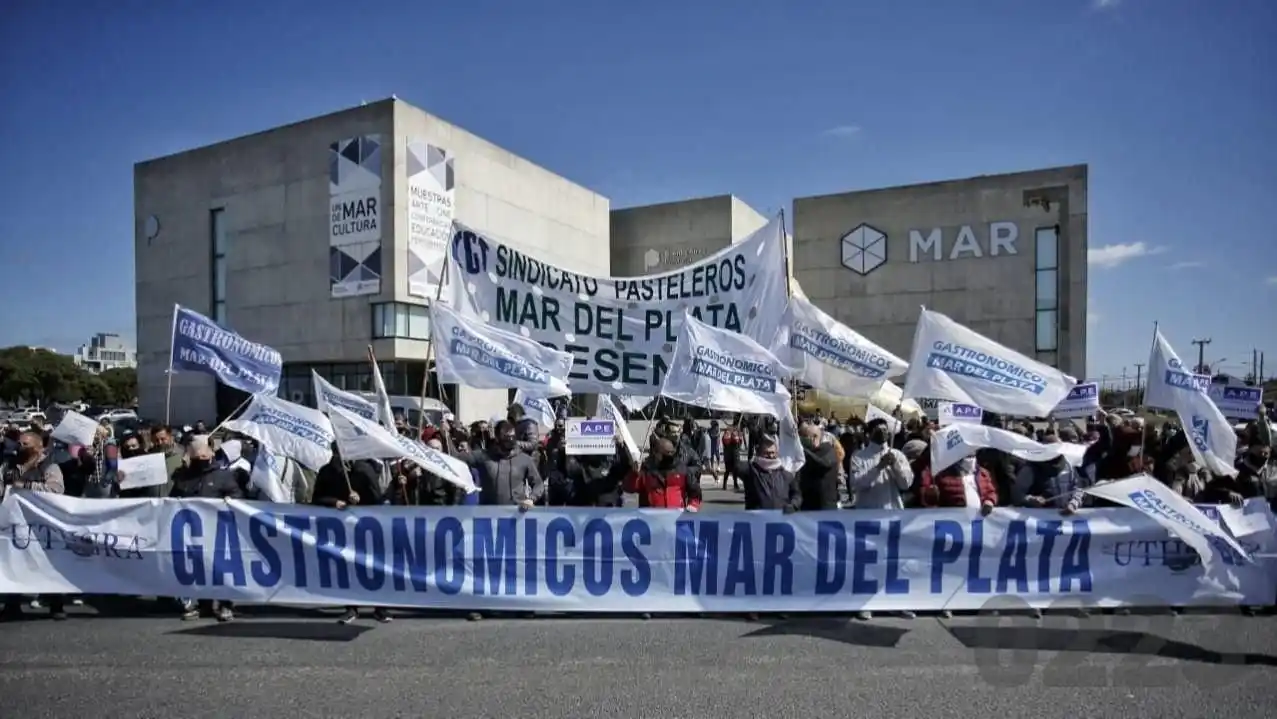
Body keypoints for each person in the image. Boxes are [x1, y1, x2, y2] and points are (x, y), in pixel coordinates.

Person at [312, 444, 393, 625]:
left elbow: (377, 500)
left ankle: (380, 608)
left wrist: (361, 499)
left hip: (365, 527)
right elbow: (316, 498)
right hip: (340, 528)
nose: (339, 457)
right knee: (347, 567)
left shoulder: (365, 470)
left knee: (373, 566)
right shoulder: (326, 471)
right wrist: (335, 502)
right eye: (336, 453)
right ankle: (351, 608)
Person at [169, 435, 243, 622]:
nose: (200, 462)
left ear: (210, 455)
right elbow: (172, 498)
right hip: (192, 531)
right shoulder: (185, 476)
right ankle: (205, 605)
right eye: (196, 458)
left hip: (218, 530)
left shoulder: (223, 475)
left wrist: (231, 501)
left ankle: (226, 604)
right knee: (199, 568)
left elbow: (237, 495)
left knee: (220, 568)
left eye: (203, 457)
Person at [1, 430, 67, 621]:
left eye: (25, 445)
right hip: (16, 523)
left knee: (47, 562)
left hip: (42, 524)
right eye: (19, 444)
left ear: (38, 447)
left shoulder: (49, 466)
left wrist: (27, 487)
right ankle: (12, 604)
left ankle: (56, 604)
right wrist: (25, 467)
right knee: (14, 561)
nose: (20, 448)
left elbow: (56, 489)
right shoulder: (10, 465)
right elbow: (4, 483)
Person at [848, 419, 912, 510]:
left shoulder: (897, 454)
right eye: (878, 430)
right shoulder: (858, 457)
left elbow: (906, 484)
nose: (882, 432)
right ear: (869, 434)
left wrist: (895, 466)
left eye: (885, 430)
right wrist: (878, 467)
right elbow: (856, 484)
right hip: (867, 512)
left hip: (892, 510)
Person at [623, 437, 702, 511]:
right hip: (651, 519)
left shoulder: (681, 469)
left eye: (672, 453)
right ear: (656, 453)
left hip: (677, 518)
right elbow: (629, 488)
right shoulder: (646, 469)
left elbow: (695, 491)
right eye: (666, 454)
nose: (670, 456)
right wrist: (634, 473)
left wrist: (693, 505)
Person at [732, 436, 800, 512]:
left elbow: (796, 494)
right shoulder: (751, 471)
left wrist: (793, 505)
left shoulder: (786, 474)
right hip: (757, 520)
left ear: (777, 453)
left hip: (781, 520)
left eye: (772, 453)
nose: (770, 456)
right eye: (766, 453)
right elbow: (735, 466)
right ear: (759, 453)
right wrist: (735, 445)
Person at [797, 422, 840, 510]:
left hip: (826, 504)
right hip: (808, 503)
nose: (803, 440)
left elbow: (824, 463)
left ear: (814, 437)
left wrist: (805, 451)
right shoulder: (805, 453)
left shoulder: (828, 450)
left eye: (805, 436)